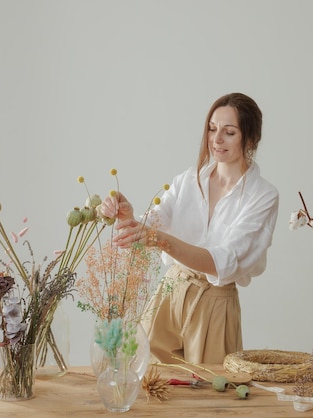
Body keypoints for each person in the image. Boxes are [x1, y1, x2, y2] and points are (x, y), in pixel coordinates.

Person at [99, 92, 279, 364]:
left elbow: (223, 262)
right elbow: (155, 221)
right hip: (170, 291)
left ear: (251, 139)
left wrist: (159, 239)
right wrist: (128, 216)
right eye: (212, 128)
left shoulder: (263, 195)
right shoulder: (188, 180)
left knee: (209, 394)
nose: (216, 140)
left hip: (215, 304)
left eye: (229, 132)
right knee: (145, 378)